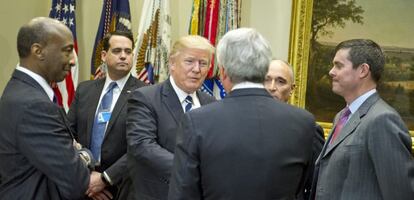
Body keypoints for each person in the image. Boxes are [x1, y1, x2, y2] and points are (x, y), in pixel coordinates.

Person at [168, 28, 316, 200]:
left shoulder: (198, 121)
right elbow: (304, 188)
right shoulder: (303, 122)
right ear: (264, 68)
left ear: (223, 72)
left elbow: (183, 193)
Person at [0, 17, 90, 199]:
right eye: (67, 51)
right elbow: (77, 180)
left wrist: (74, 153)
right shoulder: (35, 105)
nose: (73, 61)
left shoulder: (17, 89)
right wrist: (84, 155)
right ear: (38, 51)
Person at [312, 39, 414, 199]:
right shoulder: (342, 116)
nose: (331, 71)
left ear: (363, 70)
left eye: (338, 65)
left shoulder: (382, 120)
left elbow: (400, 194)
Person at [126, 35, 216, 200]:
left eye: (203, 63)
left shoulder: (211, 103)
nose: (197, 69)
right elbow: (142, 145)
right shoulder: (146, 97)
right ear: (172, 63)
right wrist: (191, 169)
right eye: (189, 61)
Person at [67, 30, 146, 200]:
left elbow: (142, 147)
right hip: (83, 185)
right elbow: (67, 134)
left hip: (123, 188)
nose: (123, 56)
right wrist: (87, 176)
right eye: (117, 51)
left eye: (128, 51)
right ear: (104, 55)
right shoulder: (85, 90)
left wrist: (105, 179)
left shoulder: (146, 94)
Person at [264, 59, 325, 199]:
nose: (272, 87)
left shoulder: (308, 128)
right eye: (266, 80)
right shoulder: (245, 122)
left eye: (280, 81)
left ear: (292, 89)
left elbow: (316, 182)